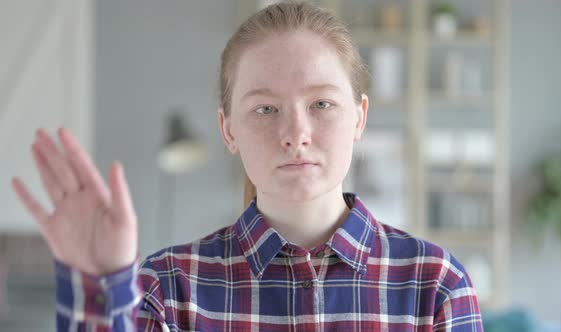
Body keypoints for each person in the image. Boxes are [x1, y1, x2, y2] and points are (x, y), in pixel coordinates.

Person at [11, 2, 483, 331]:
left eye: (321, 103)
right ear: (228, 129)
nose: (295, 132)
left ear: (359, 117)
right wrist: (102, 285)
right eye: (265, 108)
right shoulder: (168, 290)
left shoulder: (435, 285)